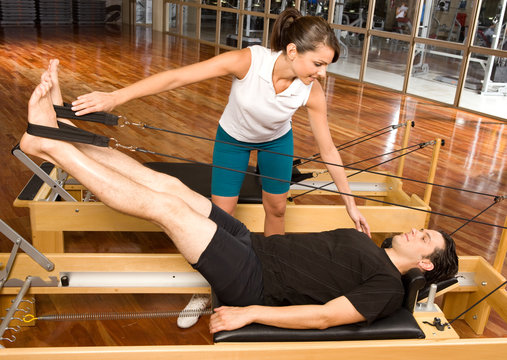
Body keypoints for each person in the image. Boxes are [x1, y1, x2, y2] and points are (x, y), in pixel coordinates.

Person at [20, 75, 459, 332]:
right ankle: (61, 129)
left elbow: (324, 316)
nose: (418, 231)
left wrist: (249, 312)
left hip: (252, 280)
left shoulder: (385, 287)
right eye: (425, 229)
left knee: (165, 209)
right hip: (252, 244)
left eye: (425, 239)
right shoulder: (375, 248)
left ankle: (50, 147)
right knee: (169, 186)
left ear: (424, 265)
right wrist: (352, 214)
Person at [70, 8, 372, 328]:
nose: (323, 73)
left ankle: (274, 280)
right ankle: (211, 289)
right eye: (319, 63)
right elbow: (178, 76)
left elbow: (328, 149)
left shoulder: (311, 91)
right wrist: (116, 97)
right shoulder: (248, 62)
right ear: (293, 51)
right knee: (219, 218)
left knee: (278, 209)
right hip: (234, 139)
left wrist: (350, 205)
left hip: (276, 142)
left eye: (326, 66)